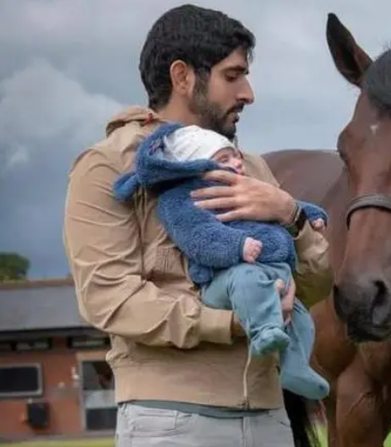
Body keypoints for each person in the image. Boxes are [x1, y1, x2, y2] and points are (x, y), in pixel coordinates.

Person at [62, 4, 332, 447]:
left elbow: (317, 287)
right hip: (172, 422)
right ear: (183, 77)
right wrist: (233, 322)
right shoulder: (109, 166)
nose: (248, 93)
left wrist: (290, 213)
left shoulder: (255, 169)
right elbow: (109, 298)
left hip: (271, 418)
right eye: (233, 75)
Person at [112, 122, 331, 401]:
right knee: (247, 282)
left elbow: (286, 206)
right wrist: (237, 247)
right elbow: (199, 238)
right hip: (227, 276)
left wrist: (308, 214)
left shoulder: (246, 186)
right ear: (196, 166)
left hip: (271, 272)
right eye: (223, 159)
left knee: (302, 318)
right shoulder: (183, 199)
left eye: (235, 156)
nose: (237, 162)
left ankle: (297, 367)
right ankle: (265, 332)